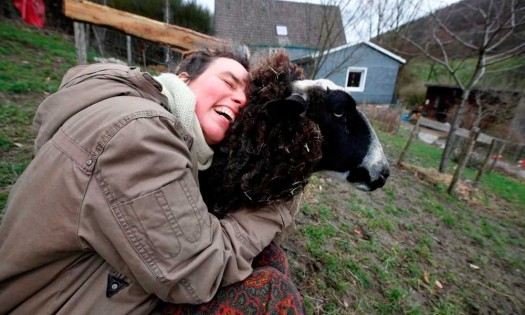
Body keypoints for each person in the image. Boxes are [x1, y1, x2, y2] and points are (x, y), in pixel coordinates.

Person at [0, 43, 304, 314]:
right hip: (48, 304)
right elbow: (195, 274)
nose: (240, 99)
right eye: (229, 82)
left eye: (248, 98)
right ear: (184, 79)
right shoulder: (143, 136)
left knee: (268, 257)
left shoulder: (149, 123)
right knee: (270, 293)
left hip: (84, 284)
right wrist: (277, 204)